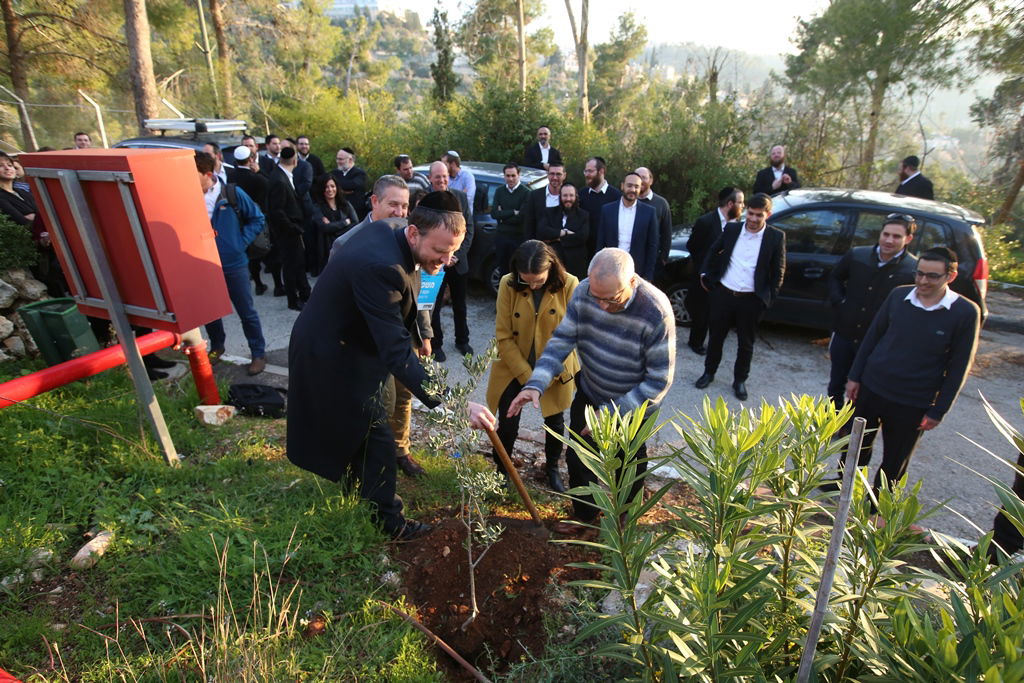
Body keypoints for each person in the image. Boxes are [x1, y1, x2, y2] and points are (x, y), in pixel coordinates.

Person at [286, 191, 497, 540]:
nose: (447, 260)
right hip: (331, 355)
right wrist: (456, 403)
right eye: (440, 251)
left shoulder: (394, 232)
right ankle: (390, 523)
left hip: (351, 345)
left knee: (365, 433)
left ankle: (359, 495)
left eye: (453, 252)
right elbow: (397, 351)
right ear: (414, 233)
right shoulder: (381, 268)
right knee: (377, 438)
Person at [509, 248, 675, 527]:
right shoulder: (585, 292)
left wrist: (612, 413)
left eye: (611, 299)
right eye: (597, 297)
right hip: (591, 392)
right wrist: (536, 384)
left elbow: (658, 381)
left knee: (628, 466)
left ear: (632, 281)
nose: (602, 306)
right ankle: (585, 517)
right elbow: (562, 341)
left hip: (632, 407)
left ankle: (623, 525)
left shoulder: (656, 311)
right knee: (579, 459)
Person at [839, 247, 980, 495]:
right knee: (855, 446)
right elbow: (872, 337)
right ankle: (843, 490)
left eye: (932, 276)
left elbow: (959, 367)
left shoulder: (965, 313)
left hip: (913, 401)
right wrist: (854, 376)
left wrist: (939, 410)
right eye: (919, 273)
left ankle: (877, 507)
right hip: (872, 387)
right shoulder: (898, 296)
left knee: (895, 461)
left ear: (951, 276)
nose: (923, 281)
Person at [487, 241, 580, 493]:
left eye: (538, 280)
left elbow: (573, 335)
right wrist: (529, 378)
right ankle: (502, 470)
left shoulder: (570, 284)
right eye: (526, 280)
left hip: (556, 367)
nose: (533, 286)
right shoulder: (508, 283)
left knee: (555, 423)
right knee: (507, 422)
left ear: (551, 268)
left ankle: (552, 468)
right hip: (513, 365)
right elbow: (503, 336)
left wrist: (543, 376)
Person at [696, 193, 786, 401]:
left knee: (746, 344)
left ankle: (740, 381)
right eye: (751, 213)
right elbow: (713, 250)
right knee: (716, 337)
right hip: (724, 294)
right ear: (746, 211)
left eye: (759, 215)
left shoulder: (776, 237)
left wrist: (767, 300)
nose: (753, 219)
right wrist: (705, 274)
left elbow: (778, 271)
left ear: (768, 215)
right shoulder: (732, 229)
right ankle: (709, 372)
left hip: (751, 300)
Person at [826, 213, 918, 410]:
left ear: (908, 239)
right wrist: (840, 302)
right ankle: (830, 420)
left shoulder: (912, 269)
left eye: (896, 236)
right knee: (836, 384)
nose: (889, 240)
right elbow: (835, 277)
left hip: (877, 342)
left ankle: (851, 425)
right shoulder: (857, 255)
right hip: (844, 333)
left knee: (862, 391)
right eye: (886, 234)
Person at [194, 152, 268, 375]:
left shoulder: (231, 193)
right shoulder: (188, 198)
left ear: (208, 175)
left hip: (234, 264)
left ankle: (258, 353)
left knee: (246, 311)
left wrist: (240, 243)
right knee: (209, 311)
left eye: (193, 175)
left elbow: (257, 218)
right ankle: (217, 347)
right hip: (203, 263)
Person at [685, 187, 744, 355]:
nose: (743, 206)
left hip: (726, 276)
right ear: (730, 204)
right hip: (705, 276)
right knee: (701, 311)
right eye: (740, 202)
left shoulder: (738, 225)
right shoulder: (706, 222)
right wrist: (704, 269)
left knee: (719, 313)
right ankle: (696, 342)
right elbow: (693, 246)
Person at [427, 160, 474, 362]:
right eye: (437, 176)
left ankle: (462, 340)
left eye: (444, 176)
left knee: (460, 306)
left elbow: (469, 228)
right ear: (430, 178)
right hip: (435, 264)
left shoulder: (460, 198)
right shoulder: (426, 200)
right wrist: (439, 257)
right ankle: (436, 344)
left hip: (457, 262)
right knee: (434, 307)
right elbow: (423, 233)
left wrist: (457, 255)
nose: (441, 180)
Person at [265, 146, 310, 311]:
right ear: (294, 160)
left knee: (298, 264)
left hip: (290, 230)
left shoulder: (281, 175)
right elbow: (277, 211)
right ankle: (293, 300)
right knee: (291, 266)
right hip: (287, 232)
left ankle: (304, 294)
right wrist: (293, 228)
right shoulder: (279, 180)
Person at [595, 172, 660, 281]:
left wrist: (648, 276)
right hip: (610, 269)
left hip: (637, 272)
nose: (633, 190)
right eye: (629, 185)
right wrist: (599, 269)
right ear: (622, 186)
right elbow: (601, 242)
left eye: (636, 186)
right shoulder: (607, 210)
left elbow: (652, 246)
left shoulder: (649, 212)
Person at [228, 146, 271, 295]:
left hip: (239, 220)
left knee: (251, 255)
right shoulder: (257, 178)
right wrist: (259, 171)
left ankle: (258, 283)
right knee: (266, 249)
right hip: (259, 218)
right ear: (251, 159)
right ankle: (278, 283)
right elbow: (269, 186)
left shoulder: (231, 176)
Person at [537, 182, 590, 278]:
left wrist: (556, 239)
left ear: (576, 197)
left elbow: (582, 237)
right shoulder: (549, 212)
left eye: (571, 195)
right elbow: (542, 231)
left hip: (576, 265)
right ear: (560, 196)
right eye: (565, 195)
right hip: (553, 263)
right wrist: (564, 232)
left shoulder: (584, 215)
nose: (568, 199)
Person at [310, 175, 357, 275]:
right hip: (327, 250)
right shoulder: (317, 207)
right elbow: (324, 228)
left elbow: (355, 224)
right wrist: (345, 222)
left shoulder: (346, 205)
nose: (330, 190)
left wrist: (333, 227)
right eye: (326, 187)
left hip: (345, 247)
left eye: (332, 186)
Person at [491, 163, 531, 277]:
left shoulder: (526, 193)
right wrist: (513, 212)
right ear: (504, 176)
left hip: (518, 238)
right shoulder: (499, 191)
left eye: (513, 175)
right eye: (507, 176)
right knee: (503, 271)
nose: (510, 179)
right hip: (501, 238)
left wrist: (503, 216)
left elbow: (521, 217)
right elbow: (494, 214)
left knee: (517, 271)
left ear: (519, 175)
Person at [580, 156, 622, 258]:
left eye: (590, 171)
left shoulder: (616, 196)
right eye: (585, 171)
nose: (587, 175)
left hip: (608, 253)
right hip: (584, 253)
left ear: (601, 171)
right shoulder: (581, 194)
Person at [634, 167, 673, 270]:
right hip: (630, 258)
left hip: (652, 261)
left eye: (644, 177)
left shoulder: (661, 203)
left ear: (651, 180)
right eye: (638, 177)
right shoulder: (626, 202)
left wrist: (663, 258)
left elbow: (666, 233)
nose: (640, 181)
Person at [522, 162, 566, 240]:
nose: (555, 177)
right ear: (547, 175)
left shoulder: (571, 197)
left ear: (564, 175)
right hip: (540, 245)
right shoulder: (534, 196)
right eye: (552, 174)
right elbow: (529, 225)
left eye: (558, 174)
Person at [330, 147, 368, 214]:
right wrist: (344, 190)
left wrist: (336, 186)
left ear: (350, 160)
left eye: (340, 159)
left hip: (356, 212)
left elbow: (353, 184)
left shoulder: (360, 174)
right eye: (337, 159)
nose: (338, 161)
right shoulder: (334, 173)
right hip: (337, 210)